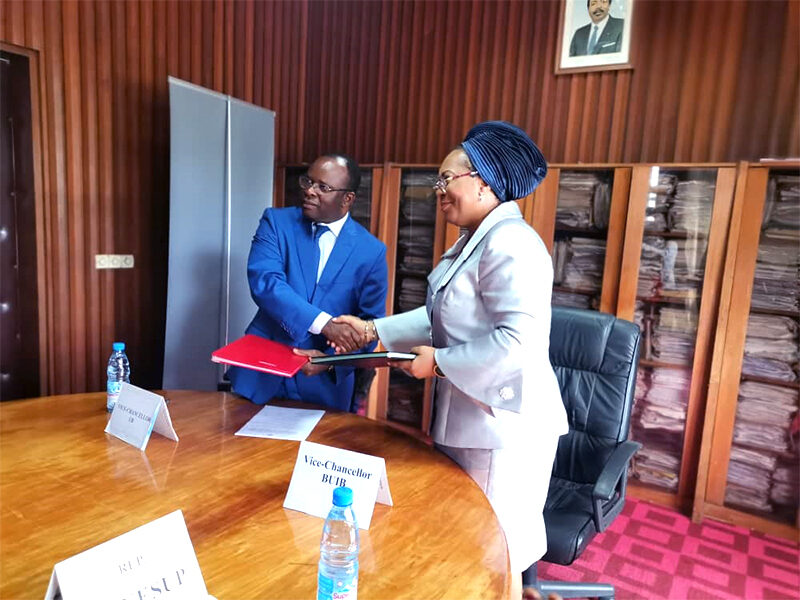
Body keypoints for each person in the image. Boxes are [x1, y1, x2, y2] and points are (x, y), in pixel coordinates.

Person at [334, 122, 568, 598]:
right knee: (461, 540)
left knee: (485, 555)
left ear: (483, 181)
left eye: (446, 180)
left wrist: (438, 363)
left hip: (502, 429)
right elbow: (441, 315)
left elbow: (517, 342)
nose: (437, 191)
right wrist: (375, 331)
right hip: (473, 417)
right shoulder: (476, 239)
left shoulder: (512, 244)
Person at [228, 154, 388, 412]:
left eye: (323, 187)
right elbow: (266, 283)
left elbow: (370, 326)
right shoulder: (276, 222)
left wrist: (332, 362)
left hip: (324, 387)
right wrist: (325, 324)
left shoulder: (371, 252)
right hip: (261, 373)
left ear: (347, 199)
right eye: (308, 182)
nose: (310, 191)